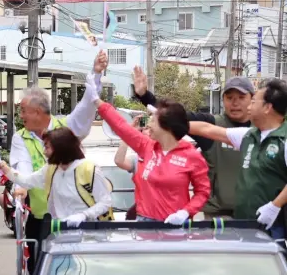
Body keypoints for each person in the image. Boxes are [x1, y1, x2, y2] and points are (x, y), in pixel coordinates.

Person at [9, 50, 109, 271]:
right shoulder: (20, 137)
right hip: (42, 217)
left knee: (77, 269)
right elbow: (22, 167)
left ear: (37, 111)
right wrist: (20, 187)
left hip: (73, 218)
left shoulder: (65, 128)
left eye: (23, 111)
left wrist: (96, 74)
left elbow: (85, 108)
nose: (21, 116)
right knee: (40, 271)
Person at [132, 66, 255, 219]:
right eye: (229, 98)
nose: (235, 103)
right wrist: (145, 95)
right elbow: (174, 115)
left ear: (252, 99)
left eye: (241, 97)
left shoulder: (262, 128)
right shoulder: (212, 123)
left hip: (254, 212)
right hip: (218, 214)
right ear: (223, 100)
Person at [86, 78, 211, 223]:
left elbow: (203, 192)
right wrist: (96, 99)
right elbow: (120, 125)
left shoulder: (191, 155)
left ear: (166, 127)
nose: (148, 124)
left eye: (153, 120)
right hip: (143, 225)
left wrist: (185, 212)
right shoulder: (146, 146)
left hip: (174, 226)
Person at [187, 78, 287, 238]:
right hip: (245, 222)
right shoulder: (249, 135)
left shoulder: (284, 139)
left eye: (253, 101)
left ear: (267, 107)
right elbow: (207, 129)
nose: (249, 106)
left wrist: (275, 206)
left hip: (273, 224)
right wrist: (170, 121)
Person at [0, 128, 113, 227]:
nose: (44, 152)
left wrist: (84, 215)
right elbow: (27, 181)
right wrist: (5, 169)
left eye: (47, 147)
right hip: (61, 234)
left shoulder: (90, 169)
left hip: (91, 235)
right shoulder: (51, 169)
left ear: (60, 148)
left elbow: (105, 202)